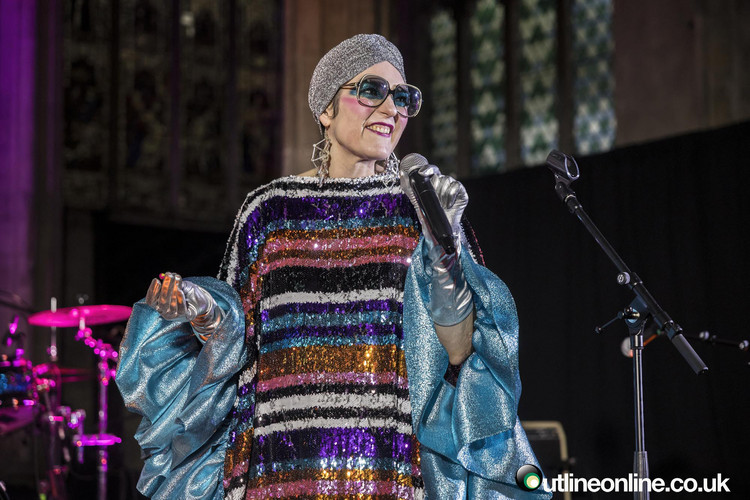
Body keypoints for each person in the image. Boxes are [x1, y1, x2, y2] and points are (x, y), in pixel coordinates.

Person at [116, 34, 550, 499]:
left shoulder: (420, 210)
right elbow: (239, 346)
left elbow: (461, 353)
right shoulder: (270, 210)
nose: (391, 109)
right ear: (326, 109)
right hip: (280, 469)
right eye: (372, 91)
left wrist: (445, 249)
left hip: (388, 469)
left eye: (403, 97)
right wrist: (205, 311)